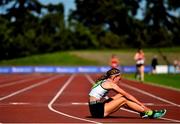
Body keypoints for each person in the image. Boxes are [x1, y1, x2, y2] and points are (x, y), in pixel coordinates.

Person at [88, 68, 166, 118]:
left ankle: (143, 112)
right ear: (114, 77)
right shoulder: (111, 84)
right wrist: (141, 104)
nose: (120, 80)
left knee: (120, 96)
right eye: (119, 78)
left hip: (95, 107)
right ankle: (150, 112)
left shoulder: (104, 81)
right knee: (124, 99)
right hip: (97, 111)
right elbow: (127, 95)